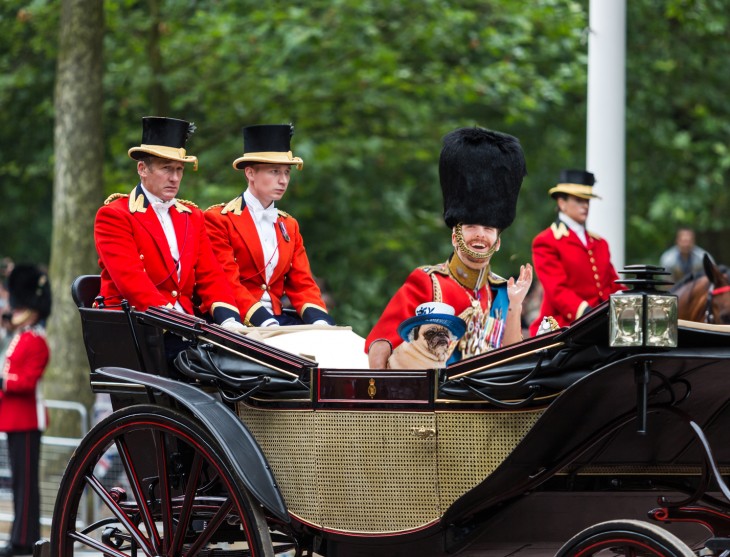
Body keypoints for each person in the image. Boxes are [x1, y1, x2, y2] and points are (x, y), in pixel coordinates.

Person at [366, 126, 532, 369]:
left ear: (498, 241)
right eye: (472, 226)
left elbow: (512, 361)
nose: (480, 236)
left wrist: (515, 306)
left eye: (488, 229)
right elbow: (381, 346)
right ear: (455, 236)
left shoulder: (501, 292)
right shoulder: (428, 282)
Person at [94, 116, 245, 342]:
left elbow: (210, 274)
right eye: (166, 169)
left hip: (186, 327)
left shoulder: (192, 216)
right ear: (142, 169)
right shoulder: (115, 215)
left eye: (179, 169)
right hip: (137, 327)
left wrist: (229, 321)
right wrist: (180, 324)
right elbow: (133, 283)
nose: (175, 178)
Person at [204, 124, 335, 327]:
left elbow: (303, 284)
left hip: (277, 318)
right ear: (250, 173)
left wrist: (320, 321)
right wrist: (263, 320)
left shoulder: (289, 225)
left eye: (286, 172)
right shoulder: (219, 219)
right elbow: (228, 282)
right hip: (235, 320)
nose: (283, 180)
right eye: (274, 172)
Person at [529, 169, 623, 336]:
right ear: (561, 203)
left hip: (602, 323)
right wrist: (587, 313)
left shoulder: (600, 243)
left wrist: (633, 300)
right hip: (564, 327)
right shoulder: (547, 241)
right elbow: (558, 291)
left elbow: (612, 284)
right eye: (579, 200)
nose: (585, 205)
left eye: (587, 200)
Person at [0, 264, 51, 556]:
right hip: (13, 418)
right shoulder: (20, 338)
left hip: (29, 418)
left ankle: (23, 541)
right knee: (19, 483)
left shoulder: (36, 341)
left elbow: (27, 382)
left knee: (27, 485)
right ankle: (22, 538)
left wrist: (4, 381)